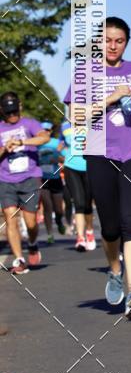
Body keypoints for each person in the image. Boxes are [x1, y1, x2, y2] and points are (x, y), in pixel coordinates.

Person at [64, 17, 131, 319]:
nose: (113, 46)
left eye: (119, 40)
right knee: (110, 226)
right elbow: (75, 116)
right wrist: (111, 98)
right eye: (107, 40)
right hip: (99, 153)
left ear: (127, 42)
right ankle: (115, 270)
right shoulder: (85, 73)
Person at [0, 93, 50, 273]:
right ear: (2, 111)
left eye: (14, 111)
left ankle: (32, 242)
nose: (12, 115)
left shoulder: (29, 123)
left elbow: (44, 137)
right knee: (10, 217)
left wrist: (22, 141)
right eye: (8, 112)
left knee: (30, 223)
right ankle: (20, 260)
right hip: (6, 180)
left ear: (20, 107)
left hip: (29, 178)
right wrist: (5, 148)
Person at [58, 119, 95, 252]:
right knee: (78, 203)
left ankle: (89, 231)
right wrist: (63, 154)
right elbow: (60, 144)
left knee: (87, 204)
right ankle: (80, 238)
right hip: (71, 167)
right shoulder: (64, 126)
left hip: (89, 167)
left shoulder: (94, 123)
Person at [38, 122, 65, 244]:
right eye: (43, 130)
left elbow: (65, 158)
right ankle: (50, 234)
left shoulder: (56, 143)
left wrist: (58, 158)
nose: (46, 132)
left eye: (48, 130)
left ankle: (59, 221)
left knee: (58, 209)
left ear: (51, 131)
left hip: (55, 178)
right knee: (47, 207)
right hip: (42, 179)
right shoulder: (36, 144)